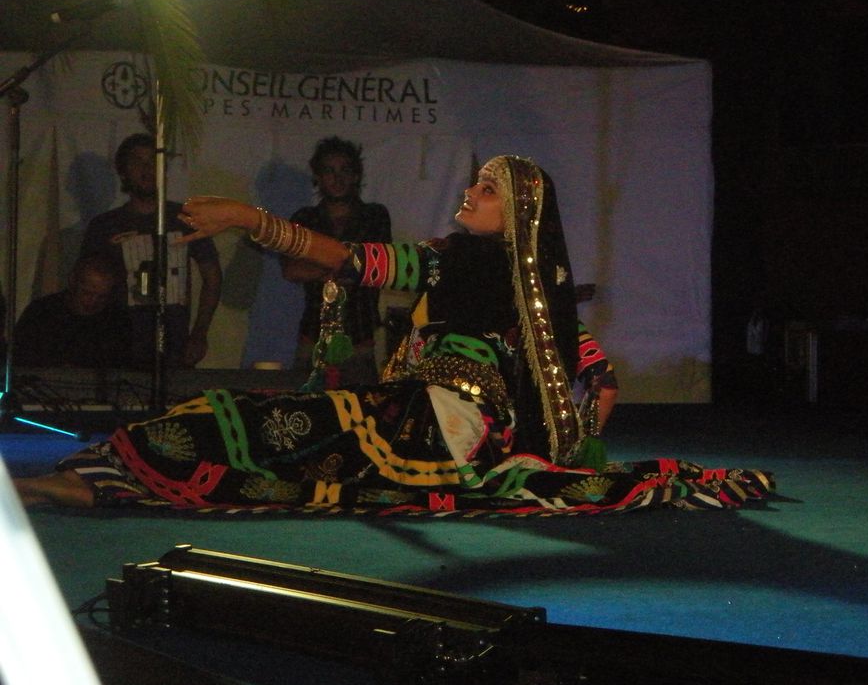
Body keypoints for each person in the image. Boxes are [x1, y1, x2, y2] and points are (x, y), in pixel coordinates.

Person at [15, 156, 774, 515]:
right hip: (410, 411)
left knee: (261, 426)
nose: (466, 197)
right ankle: (102, 477)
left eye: (484, 191)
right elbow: (359, 263)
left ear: (517, 212)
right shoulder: (453, 262)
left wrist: (251, 220)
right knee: (231, 417)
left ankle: (99, 485)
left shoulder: (526, 292)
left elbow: (599, 379)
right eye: (471, 183)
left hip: (444, 425)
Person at [80, 133, 222, 369]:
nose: (147, 169)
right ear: (123, 171)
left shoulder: (185, 219)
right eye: (138, 162)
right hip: (116, 345)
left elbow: (212, 276)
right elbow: (85, 285)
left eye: (153, 162)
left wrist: (199, 332)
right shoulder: (104, 226)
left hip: (174, 345)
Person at [283, 136, 391, 382]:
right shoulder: (305, 218)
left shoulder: (374, 216)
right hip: (313, 335)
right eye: (329, 171)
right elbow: (291, 270)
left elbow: (372, 268)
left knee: (360, 415)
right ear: (318, 177)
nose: (337, 178)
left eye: (345, 170)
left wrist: (321, 266)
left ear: (356, 176)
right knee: (306, 413)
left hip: (360, 336)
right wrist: (342, 267)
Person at [12, 254, 131, 369]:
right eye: (87, 293)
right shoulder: (42, 312)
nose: (93, 301)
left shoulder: (116, 321)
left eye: (102, 297)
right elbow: (19, 358)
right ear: (73, 281)